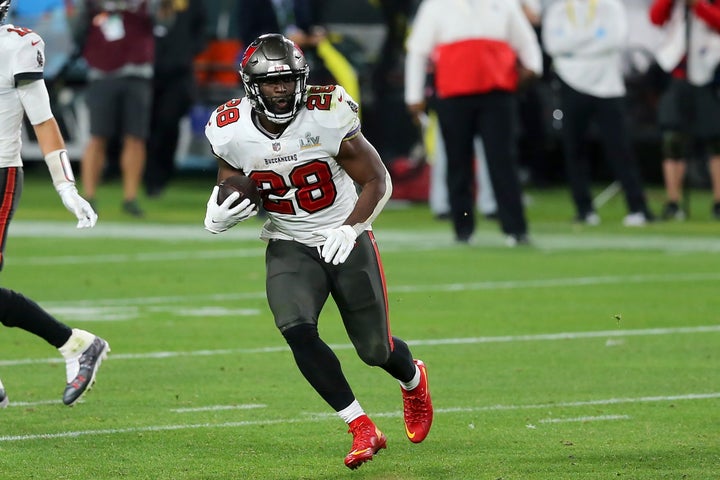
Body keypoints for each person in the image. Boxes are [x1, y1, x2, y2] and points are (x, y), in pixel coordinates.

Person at [203, 34, 433, 470]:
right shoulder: (229, 126)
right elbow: (232, 178)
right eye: (272, 84)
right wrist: (220, 209)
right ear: (251, 85)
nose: (283, 90)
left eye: (290, 80)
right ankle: (361, 426)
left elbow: (377, 180)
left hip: (345, 235)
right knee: (296, 328)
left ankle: (413, 378)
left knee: (374, 350)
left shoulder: (327, 113)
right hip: (288, 239)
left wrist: (352, 228)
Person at [0, 0, 109, 408]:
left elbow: (43, 120)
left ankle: (75, 343)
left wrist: (66, 187)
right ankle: (76, 343)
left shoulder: (16, 46)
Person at [404, 0, 543, 246]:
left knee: (502, 160)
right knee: (458, 162)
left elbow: (526, 40)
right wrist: (414, 96)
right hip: (453, 95)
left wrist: (533, 67)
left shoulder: (505, 4)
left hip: (497, 94)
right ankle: (463, 227)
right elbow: (418, 50)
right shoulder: (436, 5)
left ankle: (515, 227)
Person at [542, 0, 655, 226]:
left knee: (620, 148)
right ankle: (584, 210)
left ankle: (638, 207)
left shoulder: (610, 6)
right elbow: (552, 45)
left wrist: (574, 46)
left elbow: (616, 40)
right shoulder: (559, 9)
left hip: (607, 84)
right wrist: (594, 40)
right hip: (570, 80)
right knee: (574, 148)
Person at [68, 0, 172, 217]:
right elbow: (77, 27)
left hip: (137, 72)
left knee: (135, 137)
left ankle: (130, 197)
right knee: (97, 136)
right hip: (102, 71)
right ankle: (88, 195)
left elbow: (165, 22)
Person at [649, 0, 720, 220]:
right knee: (672, 139)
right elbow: (656, 18)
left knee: (716, 141)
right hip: (678, 75)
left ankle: (718, 202)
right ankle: (673, 201)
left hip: (710, 73)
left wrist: (699, 5)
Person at [144, 0, 207, 198]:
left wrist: (187, 50)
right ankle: (147, 175)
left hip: (179, 72)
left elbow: (201, 28)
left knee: (168, 123)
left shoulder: (191, 4)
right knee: (146, 126)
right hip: (146, 70)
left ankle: (161, 175)